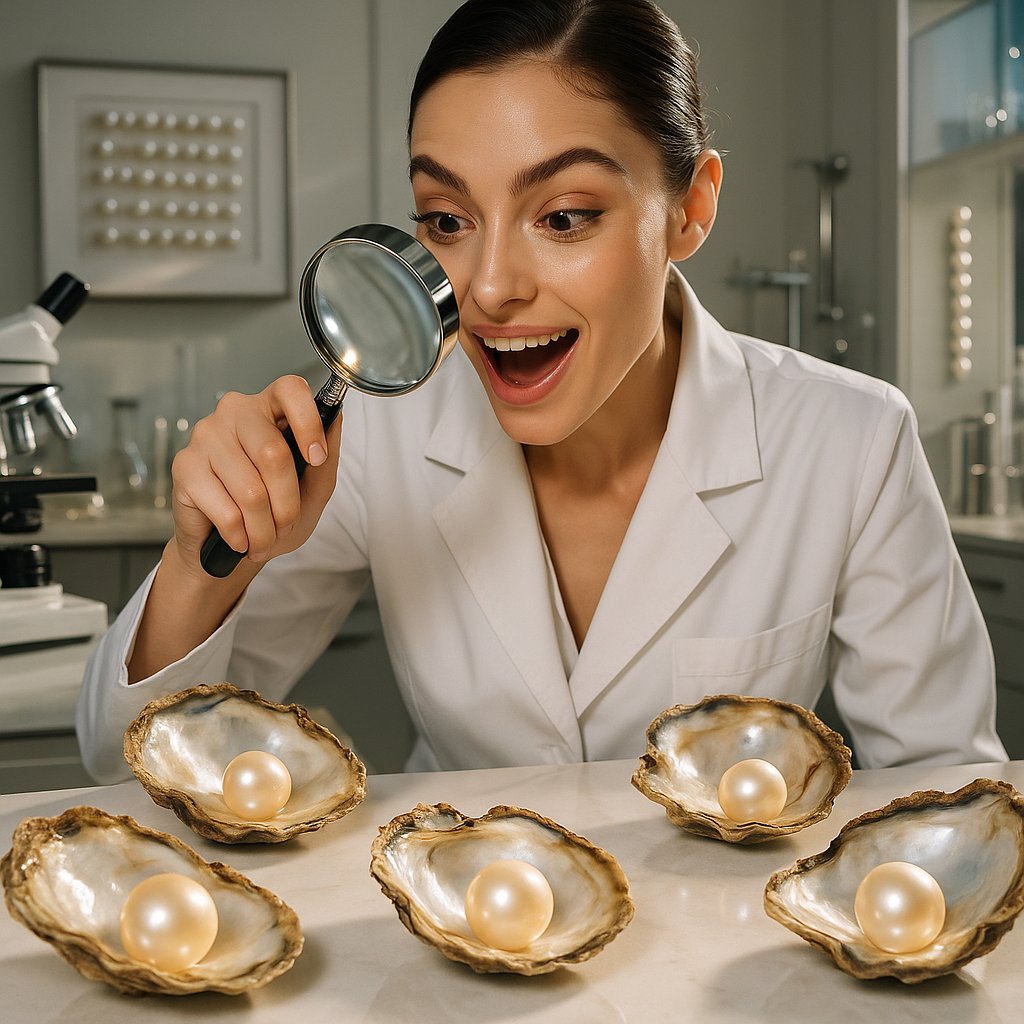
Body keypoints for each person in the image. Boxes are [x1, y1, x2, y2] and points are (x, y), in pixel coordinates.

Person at [77, 0, 1006, 783]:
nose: (486, 288)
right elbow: (128, 768)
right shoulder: (375, 432)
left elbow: (947, 798)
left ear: (690, 208)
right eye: (447, 219)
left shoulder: (852, 440)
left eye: (564, 217)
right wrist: (212, 559)